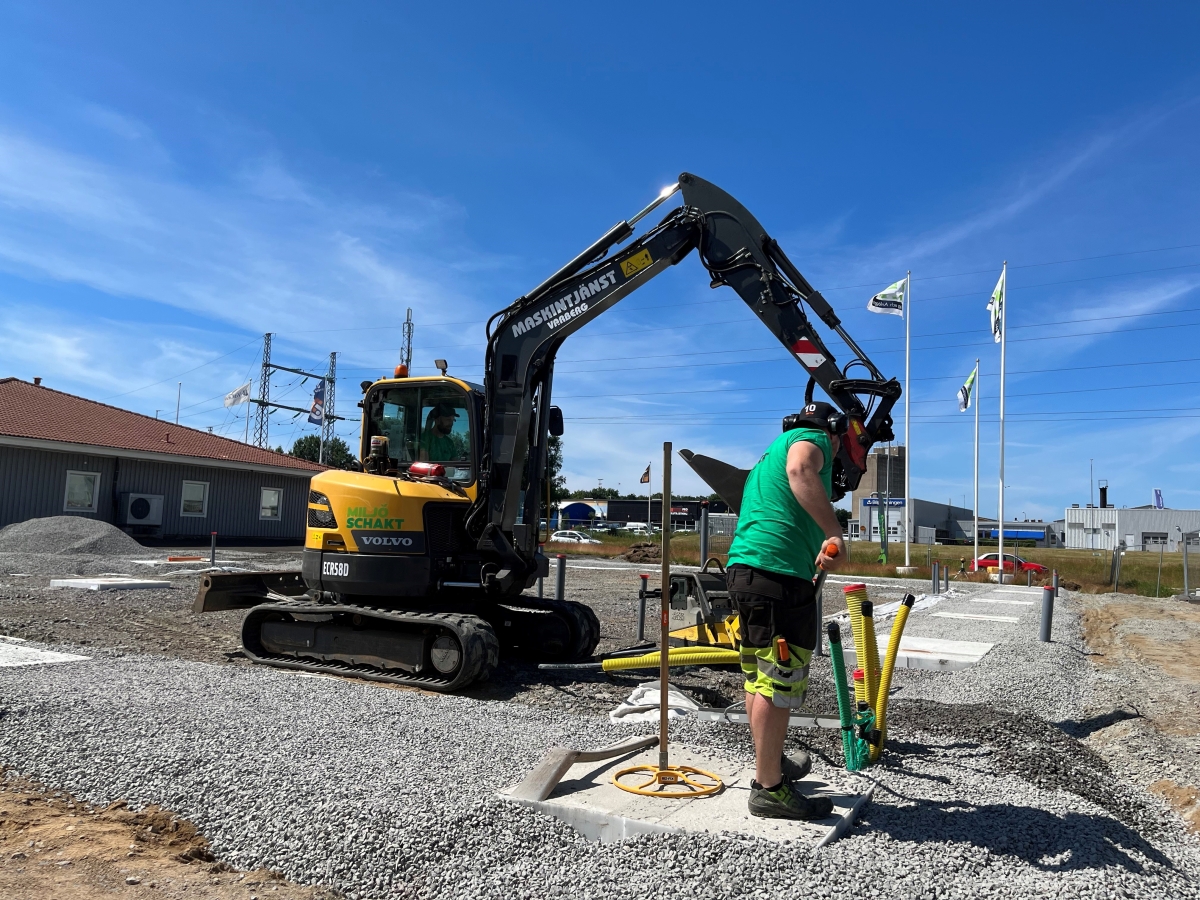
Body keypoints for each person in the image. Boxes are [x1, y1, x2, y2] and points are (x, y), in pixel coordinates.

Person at [726, 401, 847, 821]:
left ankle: (769, 764)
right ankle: (769, 789)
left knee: (759, 676)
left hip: (747, 571)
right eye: (838, 440)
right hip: (778, 576)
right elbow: (801, 469)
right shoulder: (812, 439)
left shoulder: (767, 457)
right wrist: (834, 531)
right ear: (832, 431)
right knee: (778, 681)